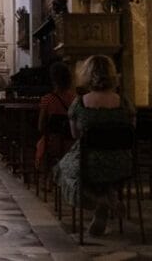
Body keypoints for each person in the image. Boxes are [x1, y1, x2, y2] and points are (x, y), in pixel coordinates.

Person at [55, 55, 134, 236]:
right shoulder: (124, 102)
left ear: (87, 75)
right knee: (104, 170)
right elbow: (131, 130)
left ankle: (101, 201)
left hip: (89, 165)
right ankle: (108, 199)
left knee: (61, 169)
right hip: (122, 165)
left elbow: (75, 135)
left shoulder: (80, 103)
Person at [35, 62, 76, 169]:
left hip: (53, 144)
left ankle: (47, 178)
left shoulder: (47, 99)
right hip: (71, 144)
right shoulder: (75, 99)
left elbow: (41, 127)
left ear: (53, 80)